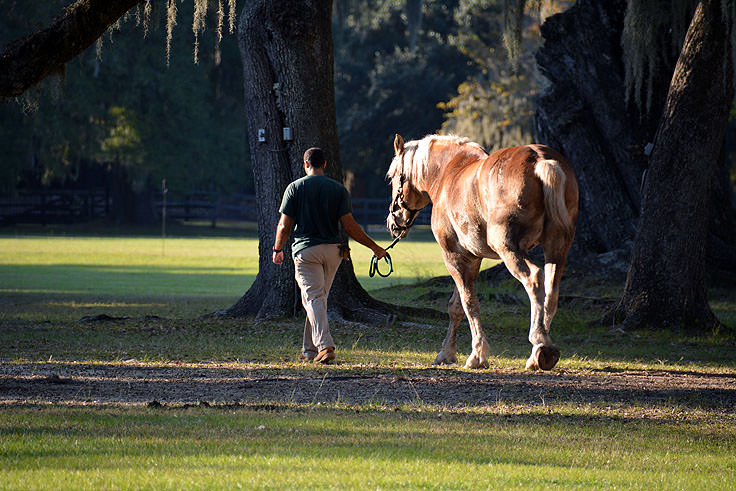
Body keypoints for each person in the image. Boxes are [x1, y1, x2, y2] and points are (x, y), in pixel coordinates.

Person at [273, 147, 387, 364]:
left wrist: (277, 249)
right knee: (317, 300)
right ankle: (308, 351)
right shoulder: (338, 190)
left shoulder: (294, 188)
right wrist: (374, 247)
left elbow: (284, 225)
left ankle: (325, 346)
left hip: (306, 251)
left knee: (313, 298)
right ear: (324, 164)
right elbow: (350, 226)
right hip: (334, 251)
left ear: (306, 164)